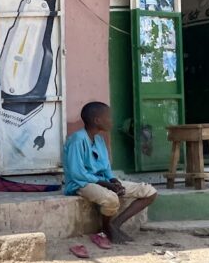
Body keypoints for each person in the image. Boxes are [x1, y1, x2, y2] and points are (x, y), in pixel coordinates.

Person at [63, 101, 157, 244]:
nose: (111, 121)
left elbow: (106, 168)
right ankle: (106, 228)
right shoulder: (77, 140)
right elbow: (77, 173)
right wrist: (105, 184)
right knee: (111, 198)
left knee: (149, 192)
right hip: (81, 184)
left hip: (102, 181)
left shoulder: (99, 140)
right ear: (97, 120)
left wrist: (114, 181)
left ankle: (115, 224)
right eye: (108, 117)